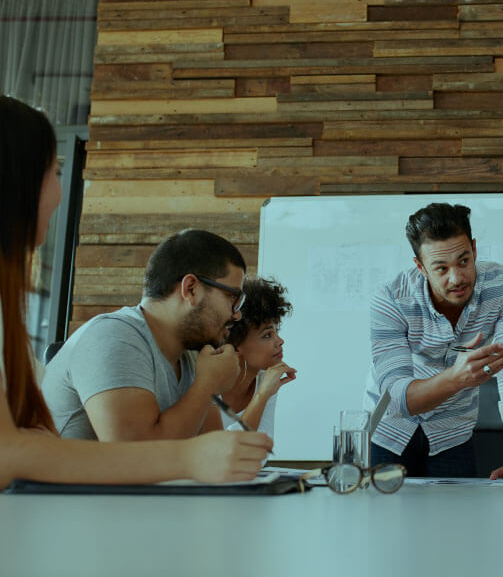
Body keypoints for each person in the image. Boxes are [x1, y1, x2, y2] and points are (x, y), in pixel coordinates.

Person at [0, 95, 270, 488]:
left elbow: (209, 448)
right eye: (55, 172)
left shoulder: (193, 358)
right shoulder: (116, 335)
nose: (60, 194)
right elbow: (14, 452)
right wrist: (200, 417)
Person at [365, 202, 503, 479]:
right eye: (441, 268)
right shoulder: (392, 299)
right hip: (391, 432)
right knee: (385, 518)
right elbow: (399, 398)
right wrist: (458, 378)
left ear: (474, 249)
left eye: (463, 261)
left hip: (453, 433)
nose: (457, 278)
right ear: (420, 267)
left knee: (458, 521)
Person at [42, 227, 249, 441]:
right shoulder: (114, 337)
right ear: (191, 289)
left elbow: (211, 454)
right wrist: (208, 385)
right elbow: (135, 457)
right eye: (232, 297)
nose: (237, 314)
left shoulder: (194, 357)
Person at [219, 277, 297, 439]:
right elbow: (222, 452)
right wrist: (262, 396)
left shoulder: (265, 380)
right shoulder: (210, 379)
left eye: (276, 330)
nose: (280, 341)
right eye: (267, 335)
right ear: (236, 344)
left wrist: (265, 392)